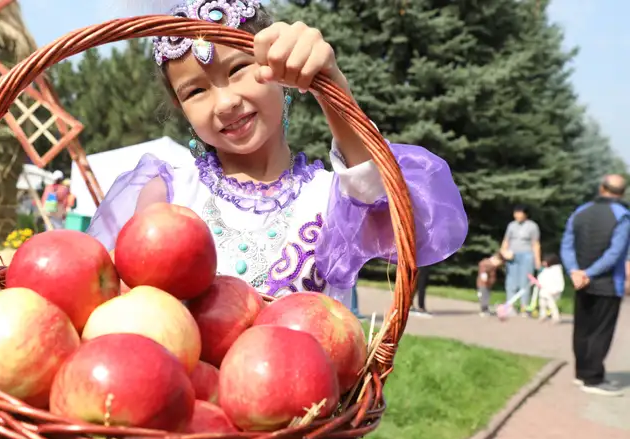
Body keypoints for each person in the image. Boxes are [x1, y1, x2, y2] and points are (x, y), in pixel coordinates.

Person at [86, 1, 468, 310]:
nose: (225, 102)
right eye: (195, 92)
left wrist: (331, 86)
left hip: (312, 401)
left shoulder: (330, 198)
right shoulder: (168, 194)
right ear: (179, 107)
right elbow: (125, 308)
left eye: (238, 69)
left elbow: (412, 232)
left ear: (277, 70)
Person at [560, 174, 629, 396]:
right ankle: (593, 378)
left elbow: (567, 244)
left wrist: (575, 271)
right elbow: (615, 253)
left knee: (582, 329)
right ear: (623, 192)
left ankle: (581, 373)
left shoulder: (580, 211)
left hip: (581, 283)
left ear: (601, 188)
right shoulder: (623, 216)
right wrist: (589, 273)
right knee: (601, 331)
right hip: (608, 284)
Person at [500, 205, 541, 316]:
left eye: (520, 213)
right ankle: (510, 307)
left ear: (525, 214)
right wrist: (503, 252)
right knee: (511, 281)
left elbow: (535, 244)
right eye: (516, 213)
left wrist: (537, 261)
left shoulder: (532, 226)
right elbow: (506, 241)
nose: (517, 215)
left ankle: (524, 307)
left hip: (527, 256)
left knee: (525, 282)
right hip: (512, 256)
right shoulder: (511, 226)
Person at [533, 253, 564, 323]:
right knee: (542, 303)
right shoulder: (545, 270)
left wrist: (557, 289)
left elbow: (559, 281)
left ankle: (556, 317)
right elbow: (542, 278)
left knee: (551, 303)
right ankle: (542, 315)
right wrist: (537, 282)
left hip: (552, 290)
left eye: (545, 261)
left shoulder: (556, 270)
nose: (543, 263)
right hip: (544, 290)